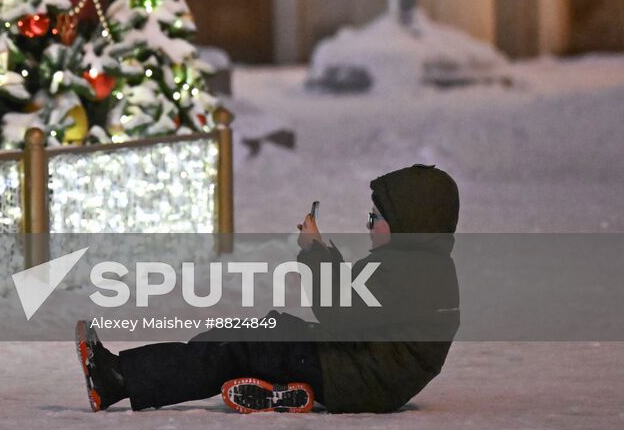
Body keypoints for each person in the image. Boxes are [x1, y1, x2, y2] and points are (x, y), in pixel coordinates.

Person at [77, 164, 460, 414]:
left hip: (355, 377)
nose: (368, 224)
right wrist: (323, 251)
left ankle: (118, 379)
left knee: (241, 346)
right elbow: (355, 303)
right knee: (258, 331)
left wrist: (312, 253)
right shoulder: (421, 266)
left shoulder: (413, 271)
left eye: (375, 218)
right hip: (358, 367)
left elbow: (340, 310)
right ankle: (282, 389)